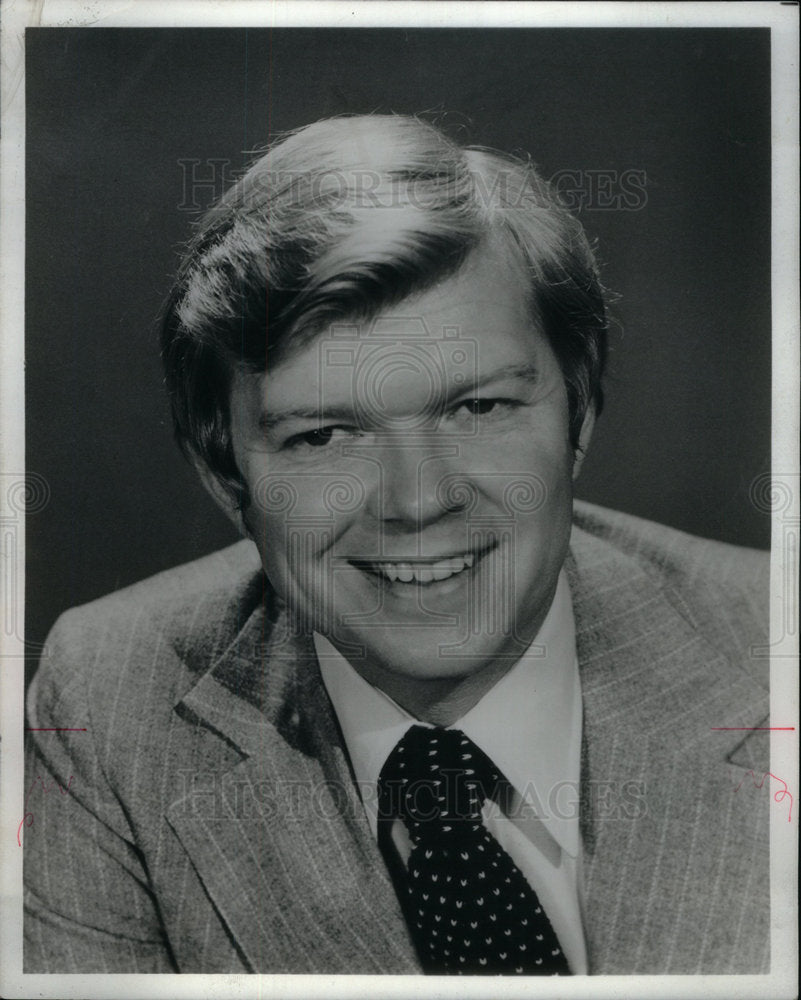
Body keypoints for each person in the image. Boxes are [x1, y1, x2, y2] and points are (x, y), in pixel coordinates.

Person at [24, 114, 769, 975]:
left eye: (478, 408)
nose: (418, 500)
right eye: (323, 436)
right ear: (225, 476)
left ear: (580, 411)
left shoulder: (768, 644)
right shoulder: (111, 699)